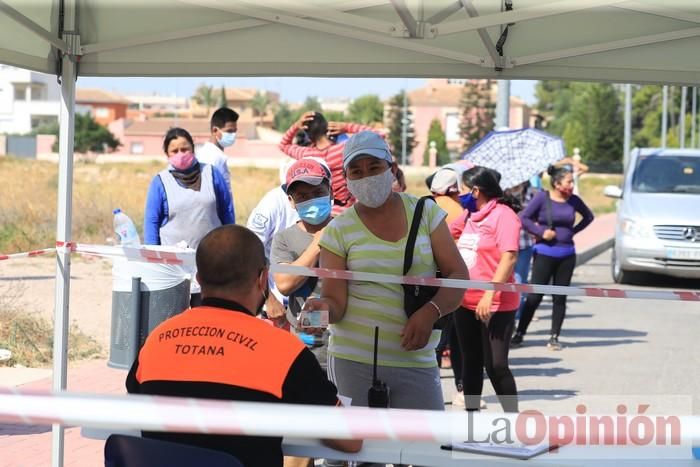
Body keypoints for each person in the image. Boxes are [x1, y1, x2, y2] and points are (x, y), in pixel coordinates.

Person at [126, 225, 362, 467]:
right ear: (262, 279)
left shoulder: (157, 340)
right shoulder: (284, 351)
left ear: (198, 279)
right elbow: (349, 440)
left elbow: (135, 410)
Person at [306, 131, 468, 410]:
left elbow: (458, 276)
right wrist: (316, 312)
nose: (366, 176)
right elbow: (336, 304)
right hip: (352, 362)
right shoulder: (338, 230)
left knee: (424, 450)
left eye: (374, 168)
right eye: (356, 171)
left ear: (391, 168)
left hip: (416, 360)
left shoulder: (426, 213)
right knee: (363, 451)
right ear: (346, 179)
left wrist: (430, 312)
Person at [449, 167, 521, 413]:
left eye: (463, 190)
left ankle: (513, 423)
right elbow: (446, 233)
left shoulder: (504, 215)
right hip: (465, 302)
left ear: (476, 190)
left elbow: (509, 257)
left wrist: (490, 294)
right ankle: (471, 421)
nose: (460, 195)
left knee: (496, 366)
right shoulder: (471, 215)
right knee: (471, 362)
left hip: (496, 304)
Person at [144, 127, 235, 305]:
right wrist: (153, 262)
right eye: (175, 151)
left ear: (193, 149)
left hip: (210, 262)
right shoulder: (160, 181)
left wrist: (229, 248)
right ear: (167, 154)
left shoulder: (211, 174)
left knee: (208, 319)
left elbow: (227, 212)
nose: (181, 154)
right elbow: (151, 222)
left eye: (185, 149)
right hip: (173, 267)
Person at [511, 165, 595, 350]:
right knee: (535, 296)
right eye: (569, 181)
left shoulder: (573, 200)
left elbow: (589, 217)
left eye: (572, 181)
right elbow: (524, 218)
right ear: (557, 184)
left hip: (567, 255)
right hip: (544, 253)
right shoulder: (542, 198)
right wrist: (540, 231)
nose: (572, 185)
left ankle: (554, 336)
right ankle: (520, 333)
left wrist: (573, 231)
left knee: (560, 297)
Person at [271, 158, 334, 370]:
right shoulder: (284, 239)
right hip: (305, 346)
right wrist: (318, 244)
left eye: (317, 193)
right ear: (291, 201)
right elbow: (285, 284)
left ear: (330, 192)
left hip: (345, 345)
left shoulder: (348, 231)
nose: (312, 200)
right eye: (303, 196)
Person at [279, 111, 376, 216]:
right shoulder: (344, 149)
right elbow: (376, 135)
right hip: (349, 211)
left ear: (308, 135)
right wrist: (346, 127)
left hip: (323, 213)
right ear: (327, 128)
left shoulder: (307, 155)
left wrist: (296, 126)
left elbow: (283, 144)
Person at [427, 163, 468, 407]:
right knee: (456, 341)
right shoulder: (458, 211)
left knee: (435, 341)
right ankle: (461, 388)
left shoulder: (423, 206)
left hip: (428, 283)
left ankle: (431, 389)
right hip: (454, 280)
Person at [246, 160, 300, 321]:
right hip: (277, 305)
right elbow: (249, 253)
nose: (311, 198)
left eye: (318, 191)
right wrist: (269, 299)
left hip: (312, 306)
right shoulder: (273, 203)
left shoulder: (326, 209)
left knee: (313, 345)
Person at [196, 107, 239, 194]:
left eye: (235, 131)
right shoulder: (214, 158)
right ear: (215, 130)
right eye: (229, 131)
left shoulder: (206, 153)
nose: (233, 135)